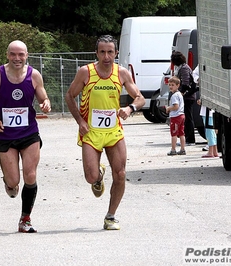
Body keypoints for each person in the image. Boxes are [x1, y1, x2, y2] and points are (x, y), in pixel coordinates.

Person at [65, 35, 145, 230]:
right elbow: (70, 95)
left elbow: (140, 98)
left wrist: (130, 109)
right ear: (96, 53)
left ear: (116, 53)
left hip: (113, 132)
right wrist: (80, 121)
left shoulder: (122, 73)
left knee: (120, 173)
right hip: (91, 132)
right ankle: (98, 175)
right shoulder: (86, 72)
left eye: (110, 52)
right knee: (90, 177)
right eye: (102, 52)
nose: (107, 56)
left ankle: (111, 216)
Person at [0, 40, 51, 233]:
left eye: (21, 55)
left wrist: (46, 104)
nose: (17, 58)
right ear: (7, 55)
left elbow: (44, 97)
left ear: (27, 55)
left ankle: (25, 219)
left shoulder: (34, 75)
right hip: (5, 134)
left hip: (29, 133)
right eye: (13, 54)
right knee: (13, 182)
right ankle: (8, 182)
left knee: (31, 174)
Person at [171, 51, 196, 146]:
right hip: (185, 97)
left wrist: (179, 92)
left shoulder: (184, 69)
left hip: (187, 97)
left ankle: (190, 139)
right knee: (185, 118)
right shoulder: (182, 67)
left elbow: (185, 83)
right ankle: (186, 138)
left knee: (188, 118)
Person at [165, 76, 186, 155]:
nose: (170, 86)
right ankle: (182, 149)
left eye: (172, 85)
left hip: (176, 116)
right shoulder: (180, 94)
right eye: (169, 85)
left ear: (178, 85)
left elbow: (176, 106)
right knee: (181, 133)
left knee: (174, 133)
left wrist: (168, 108)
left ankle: (173, 149)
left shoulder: (174, 96)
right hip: (182, 115)